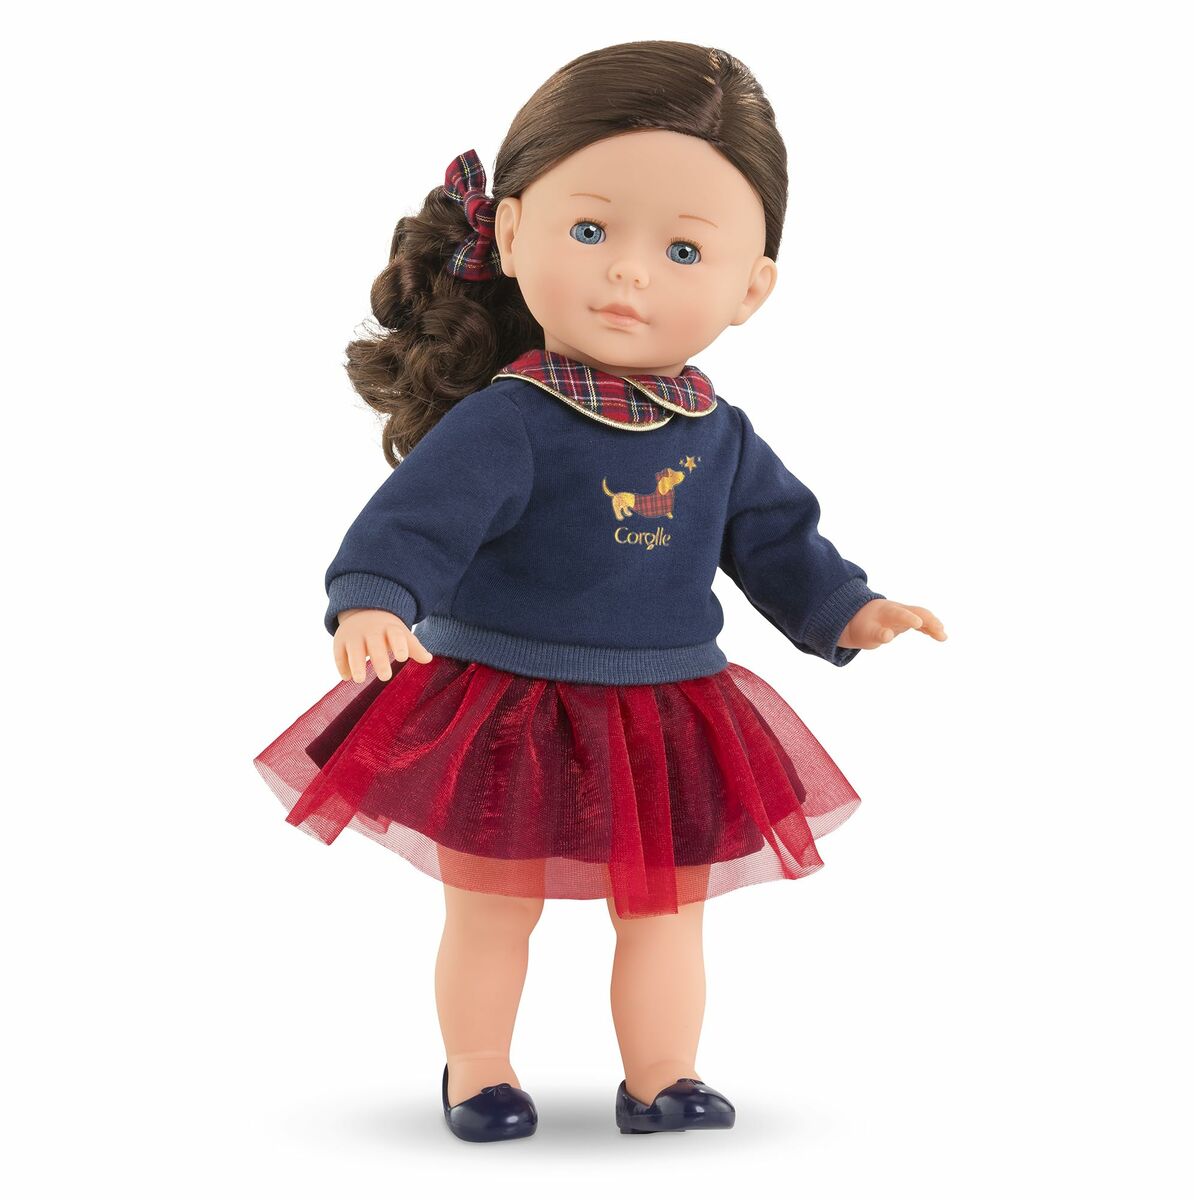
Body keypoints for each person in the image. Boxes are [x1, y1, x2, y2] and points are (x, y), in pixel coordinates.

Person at [252, 39, 947, 1142]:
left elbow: (776, 537)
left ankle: (662, 1074)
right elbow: (417, 520)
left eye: (684, 249)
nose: (630, 273)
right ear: (511, 233)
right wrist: (376, 596)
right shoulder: (509, 419)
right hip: (507, 701)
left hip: (666, 710)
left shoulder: (716, 432)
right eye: (591, 232)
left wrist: (846, 607)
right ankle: (480, 1071)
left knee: (665, 914)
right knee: (495, 907)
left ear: (752, 287)